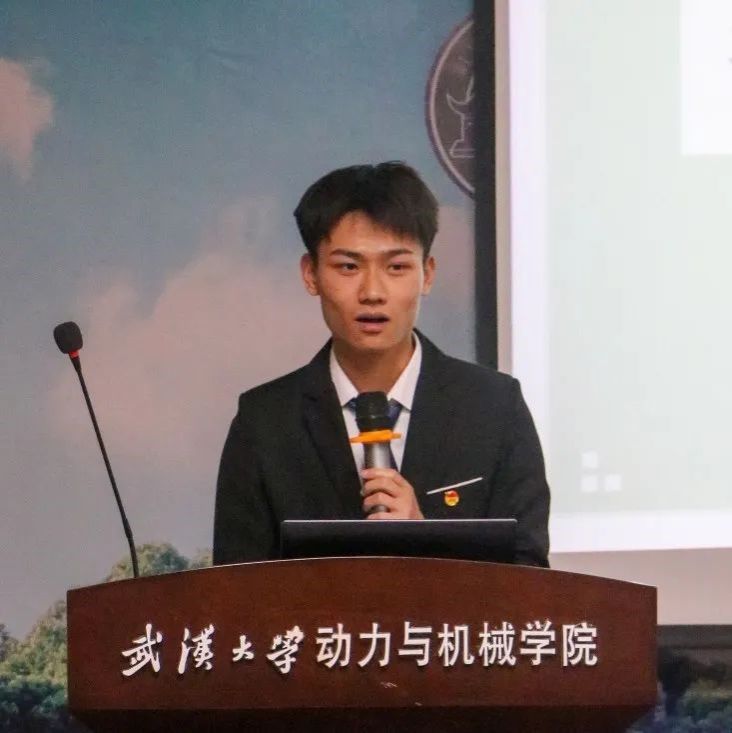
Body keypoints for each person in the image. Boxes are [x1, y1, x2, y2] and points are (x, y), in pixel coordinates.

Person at [213, 161, 550, 567]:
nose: (372, 292)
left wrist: (426, 538)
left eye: (396, 267)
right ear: (310, 274)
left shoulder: (494, 408)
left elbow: (530, 577)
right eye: (348, 267)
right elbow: (236, 588)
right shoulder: (264, 422)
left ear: (427, 274)